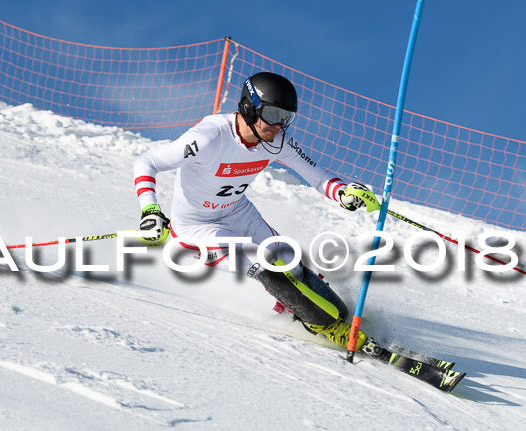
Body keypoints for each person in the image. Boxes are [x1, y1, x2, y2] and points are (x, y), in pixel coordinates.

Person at [133, 71, 381, 355]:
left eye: (287, 118)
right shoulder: (210, 136)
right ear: (249, 107)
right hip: (195, 227)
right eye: (273, 115)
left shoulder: (277, 141)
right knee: (262, 261)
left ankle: (323, 312)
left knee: (289, 260)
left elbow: (317, 177)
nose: (279, 125)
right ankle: (324, 327)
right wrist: (150, 209)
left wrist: (343, 193)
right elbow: (147, 162)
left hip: (236, 212)